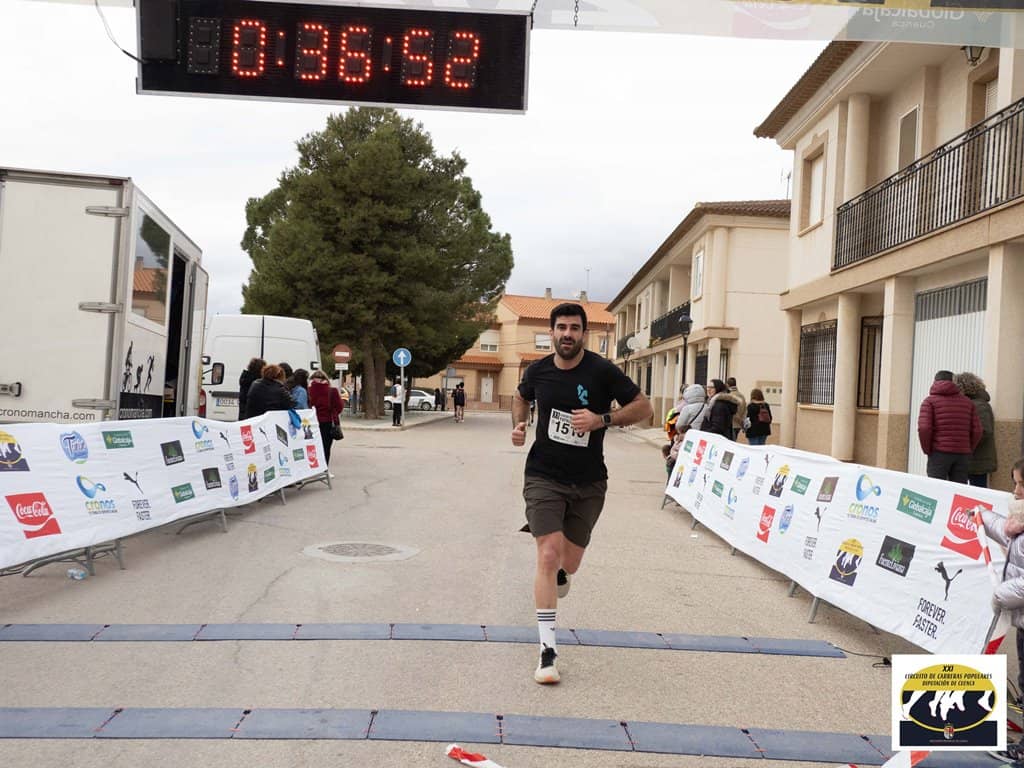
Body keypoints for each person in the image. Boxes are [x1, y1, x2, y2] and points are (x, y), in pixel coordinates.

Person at [511, 302, 652, 685]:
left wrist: (601, 419)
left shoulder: (602, 371)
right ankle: (547, 651)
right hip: (543, 476)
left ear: (584, 334)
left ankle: (562, 574)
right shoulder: (538, 370)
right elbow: (521, 397)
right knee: (547, 553)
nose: (567, 334)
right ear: (552, 333)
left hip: (589, 482)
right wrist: (519, 425)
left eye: (574, 328)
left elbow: (644, 407)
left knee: (568, 563)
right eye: (561, 327)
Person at [980, 458, 1024, 762]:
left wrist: (1000, 595)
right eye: (1015, 483)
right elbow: (1005, 532)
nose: (1016, 491)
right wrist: (981, 516)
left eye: (1022, 484)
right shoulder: (1018, 520)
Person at [917, 370, 981, 483]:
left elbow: (924, 428)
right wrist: (968, 448)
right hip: (962, 455)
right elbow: (977, 431)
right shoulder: (968, 402)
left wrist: (928, 450)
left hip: (939, 453)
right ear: (954, 382)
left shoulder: (929, 402)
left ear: (934, 382)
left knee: (936, 487)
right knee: (958, 489)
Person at [955, 372, 997, 487]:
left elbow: (984, 431)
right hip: (971, 459)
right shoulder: (971, 404)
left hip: (978, 461)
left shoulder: (980, 405)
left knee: (978, 492)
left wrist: (965, 443)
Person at [308, 369, 343, 473]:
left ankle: (312, 469)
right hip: (327, 422)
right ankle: (324, 470)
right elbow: (339, 407)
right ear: (325, 379)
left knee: (312, 446)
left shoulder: (308, 390)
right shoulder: (332, 391)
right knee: (326, 447)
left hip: (311, 422)